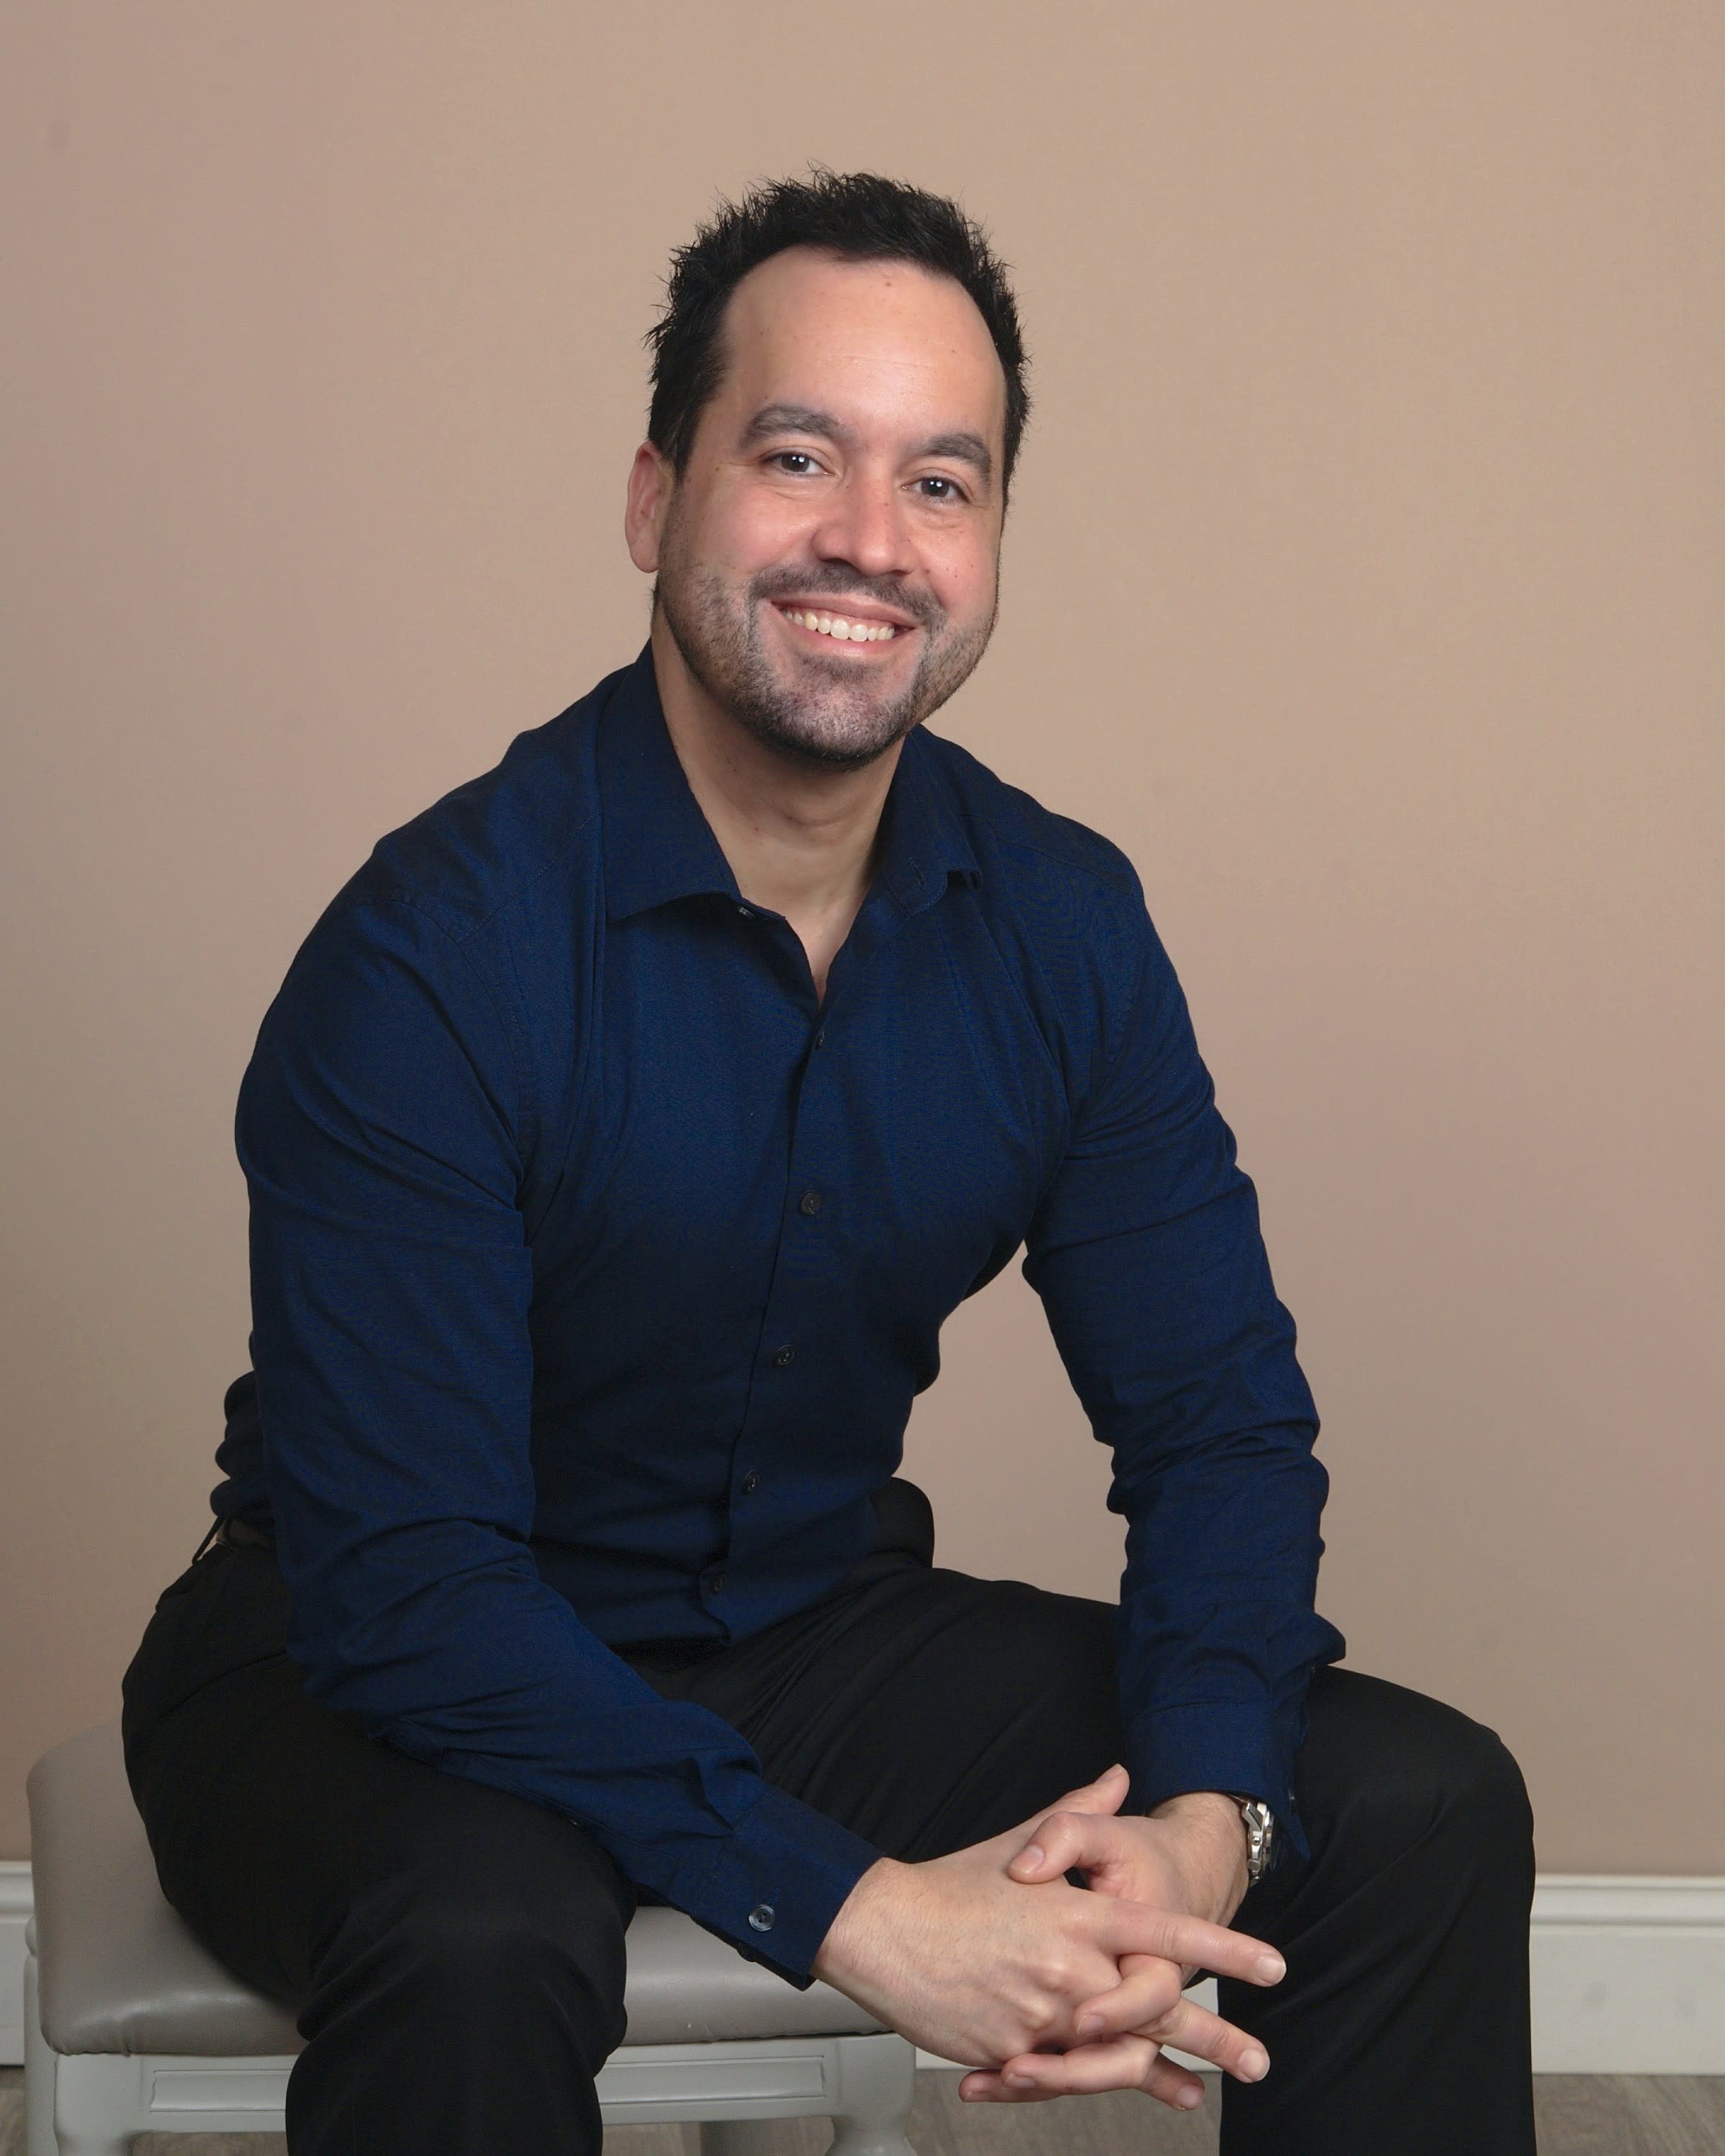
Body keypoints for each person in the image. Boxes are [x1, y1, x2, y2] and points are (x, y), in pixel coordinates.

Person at [120, 170, 1536, 2156]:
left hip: (793, 1637)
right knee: (483, 1932)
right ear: (656, 500)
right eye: (799, 456)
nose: (872, 539)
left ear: (991, 541)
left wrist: (1206, 1825)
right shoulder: (432, 952)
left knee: (1418, 1799)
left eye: (941, 482)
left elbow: (1219, 1425)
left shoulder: (1060, 925)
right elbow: (414, 1591)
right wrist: (869, 1914)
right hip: (360, 1670)